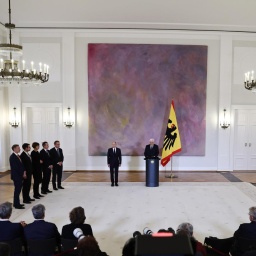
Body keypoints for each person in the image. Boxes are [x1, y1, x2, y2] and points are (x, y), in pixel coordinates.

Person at [9, 144, 26, 209]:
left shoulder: (18, 156)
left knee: (18, 190)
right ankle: (16, 204)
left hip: (20, 176)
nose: (20, 149)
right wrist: (22, 174)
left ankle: (17, 203)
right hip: (16, 176)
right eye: (18, 148)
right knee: (17, 190)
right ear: (14, 149)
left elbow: (22, 165)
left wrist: (24, 172)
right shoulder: (12, 157)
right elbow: (16, 168)